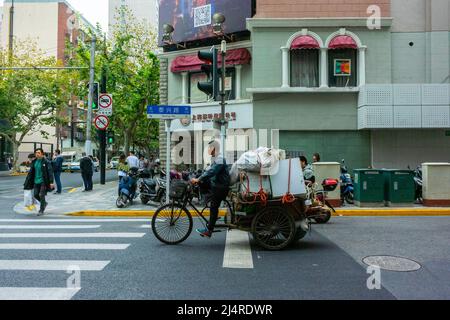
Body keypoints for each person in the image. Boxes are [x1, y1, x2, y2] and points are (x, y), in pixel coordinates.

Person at [191, 140, 230, 238]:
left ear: (214, 148)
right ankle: (209, 203)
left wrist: (199, 179)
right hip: (217, 185)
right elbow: (209, 170)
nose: (208, 150)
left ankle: (209, 231)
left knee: (214, 206)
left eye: (209, 148)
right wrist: (199, 177)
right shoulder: (216, 158)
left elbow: (212, 171)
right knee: (203, 183)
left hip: (221, 187)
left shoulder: (220, 159)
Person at [23, 148, 54, 216]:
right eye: (36, 152)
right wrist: (27, 181)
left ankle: (41, 209)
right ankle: (44, 203)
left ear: (42, 153)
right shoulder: (34, 161)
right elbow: (31, 172)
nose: (37, 154)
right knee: (36, 195)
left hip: (43, 181)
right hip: (36, 181)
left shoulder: (46, 161)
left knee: (41, 195)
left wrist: (51, 182)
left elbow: (50, 172)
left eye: (39, 152)